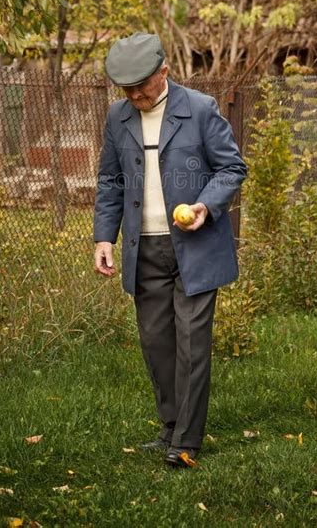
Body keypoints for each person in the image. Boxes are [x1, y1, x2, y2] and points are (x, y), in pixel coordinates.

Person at [94, 32, 247, 468]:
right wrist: (105, 237)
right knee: (156, 342)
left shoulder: (200, 109)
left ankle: (187, 441)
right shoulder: (117, 117)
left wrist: (205, 204)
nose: (136, 95)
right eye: (128, 89)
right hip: (145, 249)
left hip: (196, 248)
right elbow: (110, 181)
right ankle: (169, 426)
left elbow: (232, 166)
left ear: (164, 71)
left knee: (192, 344)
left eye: (143, 85)